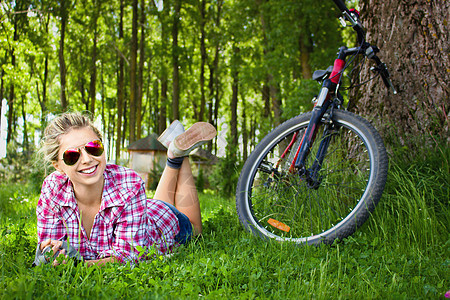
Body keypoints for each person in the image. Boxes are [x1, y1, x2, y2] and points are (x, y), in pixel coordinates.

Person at [33, 112, 216, 266]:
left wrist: (77, 265)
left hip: (164, 222)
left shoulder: (128, 183)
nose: (87, 159)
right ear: (57, 165)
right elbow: (51, 246)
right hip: (145, 211)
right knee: (159, 203)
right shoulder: (52, 189)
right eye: (72, 155)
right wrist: (52, 253)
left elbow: (127, 257)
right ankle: (174, 151)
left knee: (196, 230)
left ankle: (178, 154)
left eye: (93, 147)